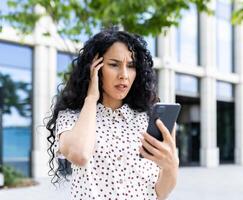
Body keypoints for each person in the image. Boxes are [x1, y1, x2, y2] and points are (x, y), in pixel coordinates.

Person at [46, 29, 179, 200]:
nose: (124, 75)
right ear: (95, 69)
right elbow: (79, 155)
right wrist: (91, 98)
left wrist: (171, 167)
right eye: (114, 64)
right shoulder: (72, 116)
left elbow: (161, 193)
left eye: (130, 66)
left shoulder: (149, 119)